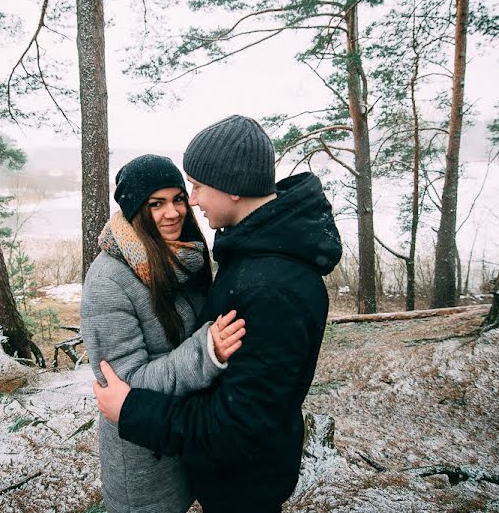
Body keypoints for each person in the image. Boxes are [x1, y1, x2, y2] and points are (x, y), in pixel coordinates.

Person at [93, 115, 343, 513]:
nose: (189, 203)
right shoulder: (247, 248)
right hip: (224, 471)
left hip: (243, 480)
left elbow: (239, 426)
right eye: (159, 201)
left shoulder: (271, 284)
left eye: (194, 188)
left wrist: (136, 412)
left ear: (232, 189)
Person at [80, 154, 246, 513]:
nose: (173, 213)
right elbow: (125, 386)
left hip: (186, 433)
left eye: (177, 199)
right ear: (136, 209)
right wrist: (206, 351)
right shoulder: (109, 280)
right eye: (156, 204)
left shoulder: (185, 258)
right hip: (144, 457)